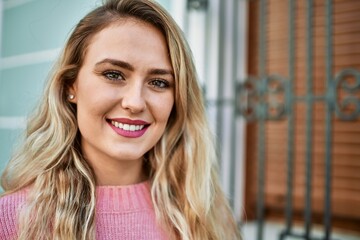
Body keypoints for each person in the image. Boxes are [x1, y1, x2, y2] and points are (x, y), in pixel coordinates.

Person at [0, 0, 241, 239]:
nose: (135, 103)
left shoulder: (207, 216)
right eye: (113, 74)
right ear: (70, 86)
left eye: (158, 82)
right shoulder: (12, 219)